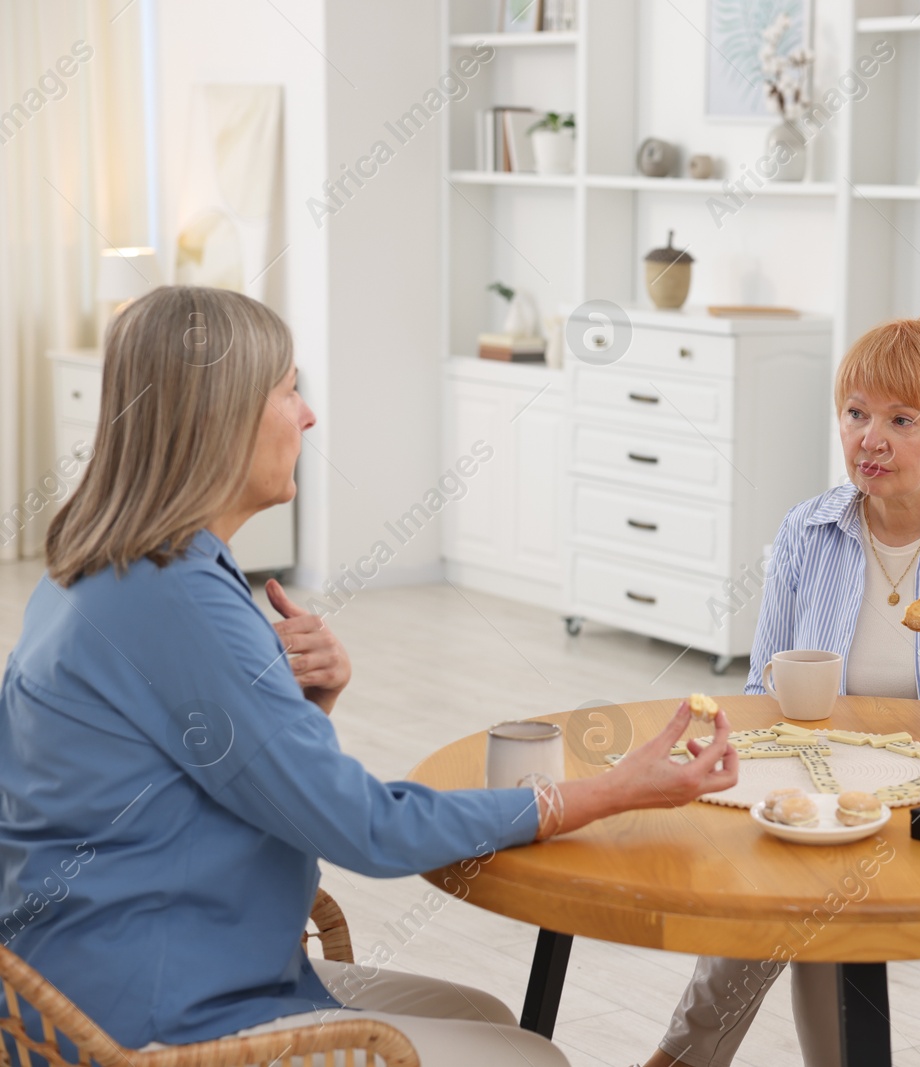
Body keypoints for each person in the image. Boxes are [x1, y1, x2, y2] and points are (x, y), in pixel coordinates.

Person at [0, 287, 739, 1064]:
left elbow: (241, 779)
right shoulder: (175, 597)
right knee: (534, 1058)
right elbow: (369, 828)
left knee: (491, 1016)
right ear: (220, 417)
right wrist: (610, 790)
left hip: (119, 968)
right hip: (160, 1011)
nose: (309, 416)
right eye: (289, 391)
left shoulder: (107, 565)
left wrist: (305, 704)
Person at [641, 317, 920, 1067]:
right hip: (831, 793)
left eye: (902, 420)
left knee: (806, 877)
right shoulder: (810, 530)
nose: (870, 438)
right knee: (804, 865)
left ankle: (680, 1061)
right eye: (856, 413)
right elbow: (758, 690)